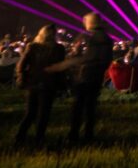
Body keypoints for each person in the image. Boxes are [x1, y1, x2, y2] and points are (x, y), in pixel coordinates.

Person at [48, 12, 113, 144]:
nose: (84, 23)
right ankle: (88, 135)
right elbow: (105, 59)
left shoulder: (89, 37)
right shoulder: (106, 38)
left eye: (85, 21)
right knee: (90, 107)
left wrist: (66, 63)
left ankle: (73, 136)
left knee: (78, 107)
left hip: (83, 76)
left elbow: (84, 56)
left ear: (90, 22)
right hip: (96, 77)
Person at [15, 24, 66, 145]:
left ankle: (20, 137)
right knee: (44, 113)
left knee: (30, 113)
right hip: (49, 83)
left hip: (33, 82)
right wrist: (62, 84)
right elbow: (60, 68)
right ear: (54, 35)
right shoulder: (59, 48)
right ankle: (39, 138)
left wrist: (22, 77)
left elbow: (21, 65)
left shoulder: (32, 47)